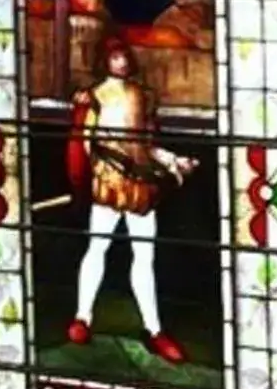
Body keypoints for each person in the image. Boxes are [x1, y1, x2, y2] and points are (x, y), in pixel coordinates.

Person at [64, 37, 197, 364]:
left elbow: (147, 146)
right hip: (108, 183)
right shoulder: (93, 97)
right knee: (97, 248)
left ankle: (154, 330)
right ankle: (83, 318)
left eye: (124, 55)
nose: (121, 61)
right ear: (104, 60)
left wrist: (173, 161)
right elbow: (82, 143)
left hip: (141, 187)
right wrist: (84, 180)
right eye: (115, 56)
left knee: (144, 257)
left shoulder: (143, 97)